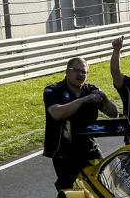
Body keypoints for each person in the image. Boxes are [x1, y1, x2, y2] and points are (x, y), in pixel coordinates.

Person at [43, 57, 119, 190]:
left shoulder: (91, 89)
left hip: (89, 147)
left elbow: (113, 114)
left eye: (84, 72)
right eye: (77, 71)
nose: (80, 75)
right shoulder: (53, 90)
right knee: (69, 188)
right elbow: (57, 113)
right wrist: (82, 100)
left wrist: (105, 100)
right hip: (63, 150)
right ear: (67, 72)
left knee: (104, 182)